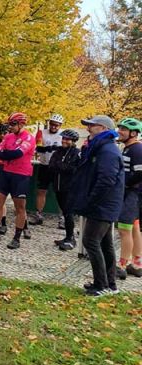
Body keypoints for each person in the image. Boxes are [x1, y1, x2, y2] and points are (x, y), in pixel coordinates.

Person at [69, 115, 124, 296]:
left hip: (103, 204)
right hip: (105, 204)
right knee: (106, 244)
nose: (88, 129)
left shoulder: (107, 150)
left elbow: (106, 179)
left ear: (102, 128)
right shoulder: (101, 147)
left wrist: (91, 199)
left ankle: (101, 286)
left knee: (90, 241)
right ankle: (110, 284)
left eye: (91, 126)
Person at [0, 112, 35, 249]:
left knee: (19, 208)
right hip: (6, 173)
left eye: (13, 124)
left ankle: (17, 238)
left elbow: (18, 154)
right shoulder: (8, 136)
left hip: (21, 175)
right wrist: (8, 155)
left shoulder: (28, 137)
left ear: (21, 124)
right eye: (9, 124)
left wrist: (6, 155)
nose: (10, 127)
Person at [115, 118, 142, 279]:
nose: (120, 131)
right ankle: (137, 264)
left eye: (123, 129)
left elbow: (139, 174)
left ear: (133, 133)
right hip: (132, 194)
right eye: (120, 128)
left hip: (132, 194)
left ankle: (122, 266)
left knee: (124, 230)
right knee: (134, 228)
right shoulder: (127, 148)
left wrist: (123, 184)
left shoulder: (137, 150)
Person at [29, 114, 65, 225]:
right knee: (41, 191)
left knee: (60, 193)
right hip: (44, 165)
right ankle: (39, 215)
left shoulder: (63, 135)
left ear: (60, 126)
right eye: (52, 124)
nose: (54, 127)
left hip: (57, 167)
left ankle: (62, 218)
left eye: (57, 125)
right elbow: (38, 147)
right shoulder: (42, 133)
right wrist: (49, 148)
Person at [48, 129, 81, 251]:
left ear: (73, 141)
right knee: (64, 212)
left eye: (67, 139)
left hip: (69, 188)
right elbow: (51, 166)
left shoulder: (77, 153)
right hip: (58, 187)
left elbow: (73, 169)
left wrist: (60, 166)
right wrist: (61, 166)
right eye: (63, 139)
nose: (64, 141)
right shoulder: (58, 151)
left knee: (68, 213)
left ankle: (70, 238)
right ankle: (67, 236)